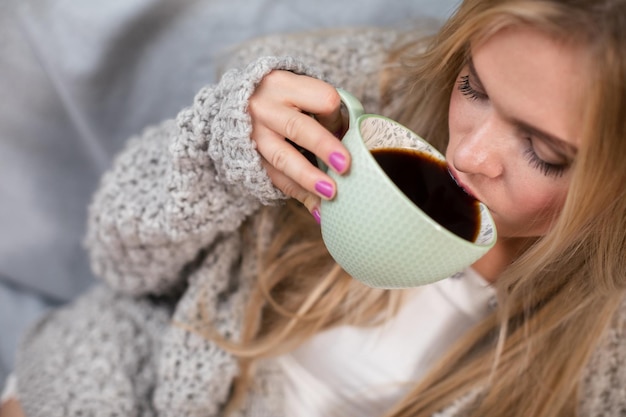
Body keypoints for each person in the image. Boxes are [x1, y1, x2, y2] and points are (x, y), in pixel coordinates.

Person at [3, 0, 626, 415]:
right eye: (475, 87)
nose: (469, 151)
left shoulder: (606, 345)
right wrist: (221, 151)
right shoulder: (358, 97)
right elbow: (121, 267)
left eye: (543, 152)